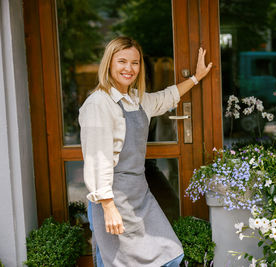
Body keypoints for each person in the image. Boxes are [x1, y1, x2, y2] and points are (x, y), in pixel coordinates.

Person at [79, 36, 212, 267]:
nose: (129, 68)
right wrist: (109, 207)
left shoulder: (137, 100)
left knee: (169, 254)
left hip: (139, 194)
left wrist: (195, 78)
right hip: (111, 196)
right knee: (118, 262)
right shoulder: (99, 103)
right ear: (109, 63)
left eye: (135, 62)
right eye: (122, 61)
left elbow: (166, 97)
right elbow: (97, 160)